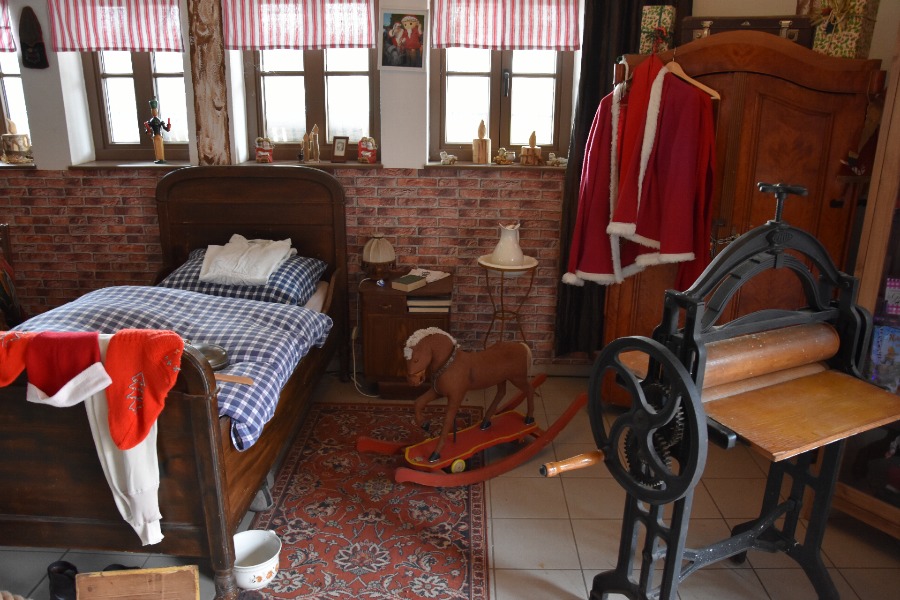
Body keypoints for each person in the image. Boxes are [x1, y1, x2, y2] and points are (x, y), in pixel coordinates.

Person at [143, 98, 171, 164]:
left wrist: (168, 126)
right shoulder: (150, 121)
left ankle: (162, 158)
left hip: (159, 135)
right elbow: (148, 130)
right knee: (156, 147)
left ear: (157, 111)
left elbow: (166, 128)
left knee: (160, 147)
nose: (154, 112)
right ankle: (158, 159)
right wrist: (148, 130)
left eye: (155, 110)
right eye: (153, 110)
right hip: (155, 136)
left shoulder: (160, 120)